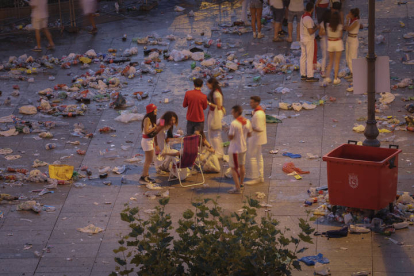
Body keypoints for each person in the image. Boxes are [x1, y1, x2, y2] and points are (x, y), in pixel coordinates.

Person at [227, 105, 252, 194]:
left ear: (237, 112)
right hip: (243, 147)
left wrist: (227, 130)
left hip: (234, 149)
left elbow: (231, 137)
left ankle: (237, 188)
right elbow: (249, 134)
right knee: (242, 165)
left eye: (233, 112)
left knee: (233, 168)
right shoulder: (247, 121)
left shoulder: (234, 123)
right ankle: (241, 183)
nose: (232, 114)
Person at [245, 96, 267, 185]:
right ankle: (260, 176)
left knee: (252, 157)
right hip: (257, 138)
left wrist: (249, 126)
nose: (250, 104)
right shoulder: (258, 112)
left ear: (256, 103)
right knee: (258, 157)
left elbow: (259, 128)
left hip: (256, 138)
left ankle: (255, 177)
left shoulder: (258, 114)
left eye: (252, 102)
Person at [300, 2, 319, 82]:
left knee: (303, 56)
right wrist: (317, 28)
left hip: (302, 39)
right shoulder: (309, 19)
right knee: (310, 58)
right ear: (312, 9)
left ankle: (303, 74)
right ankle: (310, 76)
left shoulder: (303, 17)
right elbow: (311, 31)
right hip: (309, 40)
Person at [140, 104, 159, 184]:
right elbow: (147, 131)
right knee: (148, 160)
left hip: (150, 141)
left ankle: (146, 176)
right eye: (155, 109)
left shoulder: (152, 118)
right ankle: (143, 177)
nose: (156, 111)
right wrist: (155, 128)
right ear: (152, 110)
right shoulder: (147, 119)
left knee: (149, 160)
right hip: (146, 141)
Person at [206, 78, 224, 159]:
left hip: (216, 115)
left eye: (208, 84)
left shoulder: (216, 93)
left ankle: (218, 152)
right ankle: (215, 151)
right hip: (213, 114)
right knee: (213, 134)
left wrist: (208, 103)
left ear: (211, 84)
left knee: (215, 134)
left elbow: (218, 106)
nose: (207, 85)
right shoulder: (214, 92)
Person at [324, 12, 343, 85]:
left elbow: (326, 33)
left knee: (330, 61)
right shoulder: (340, 26)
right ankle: (335, 78)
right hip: (338, 42)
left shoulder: (328, 25)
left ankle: (327, 77)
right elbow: (341, 35)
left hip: (330, 42)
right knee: (337, 62)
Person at [343, 8, 360, 80]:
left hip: (353, 39)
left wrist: (347, 24)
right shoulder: (350, 20)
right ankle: (351, 72)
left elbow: (348, 28)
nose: (348, 14)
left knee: (352, 57)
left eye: (350, 13)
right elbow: (345, 27)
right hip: (349, 38)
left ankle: (354, 74)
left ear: (353, 14)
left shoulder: (356, 21)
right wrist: (347, 21)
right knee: (347, 57)